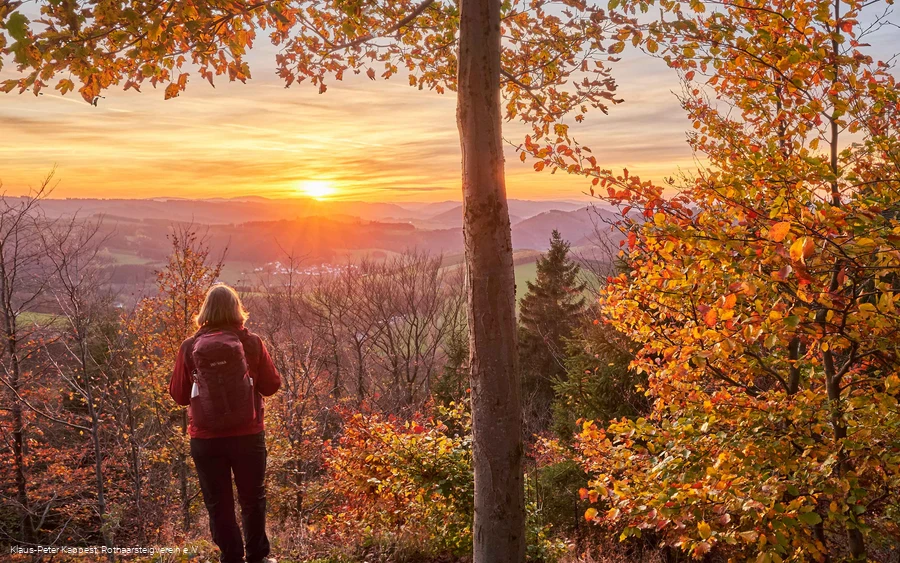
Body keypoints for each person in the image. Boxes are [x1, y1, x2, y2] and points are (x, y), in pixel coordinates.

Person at [169, 283, 281, 563]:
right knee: (252, 498)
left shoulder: (190, 347)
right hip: (248, 435)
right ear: (237, 309)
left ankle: (231, 558)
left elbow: (179, 396)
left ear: (206, 310)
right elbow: (271, 386)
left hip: (206, 439)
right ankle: (258, 557)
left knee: (218, 503)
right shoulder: (252, 342)